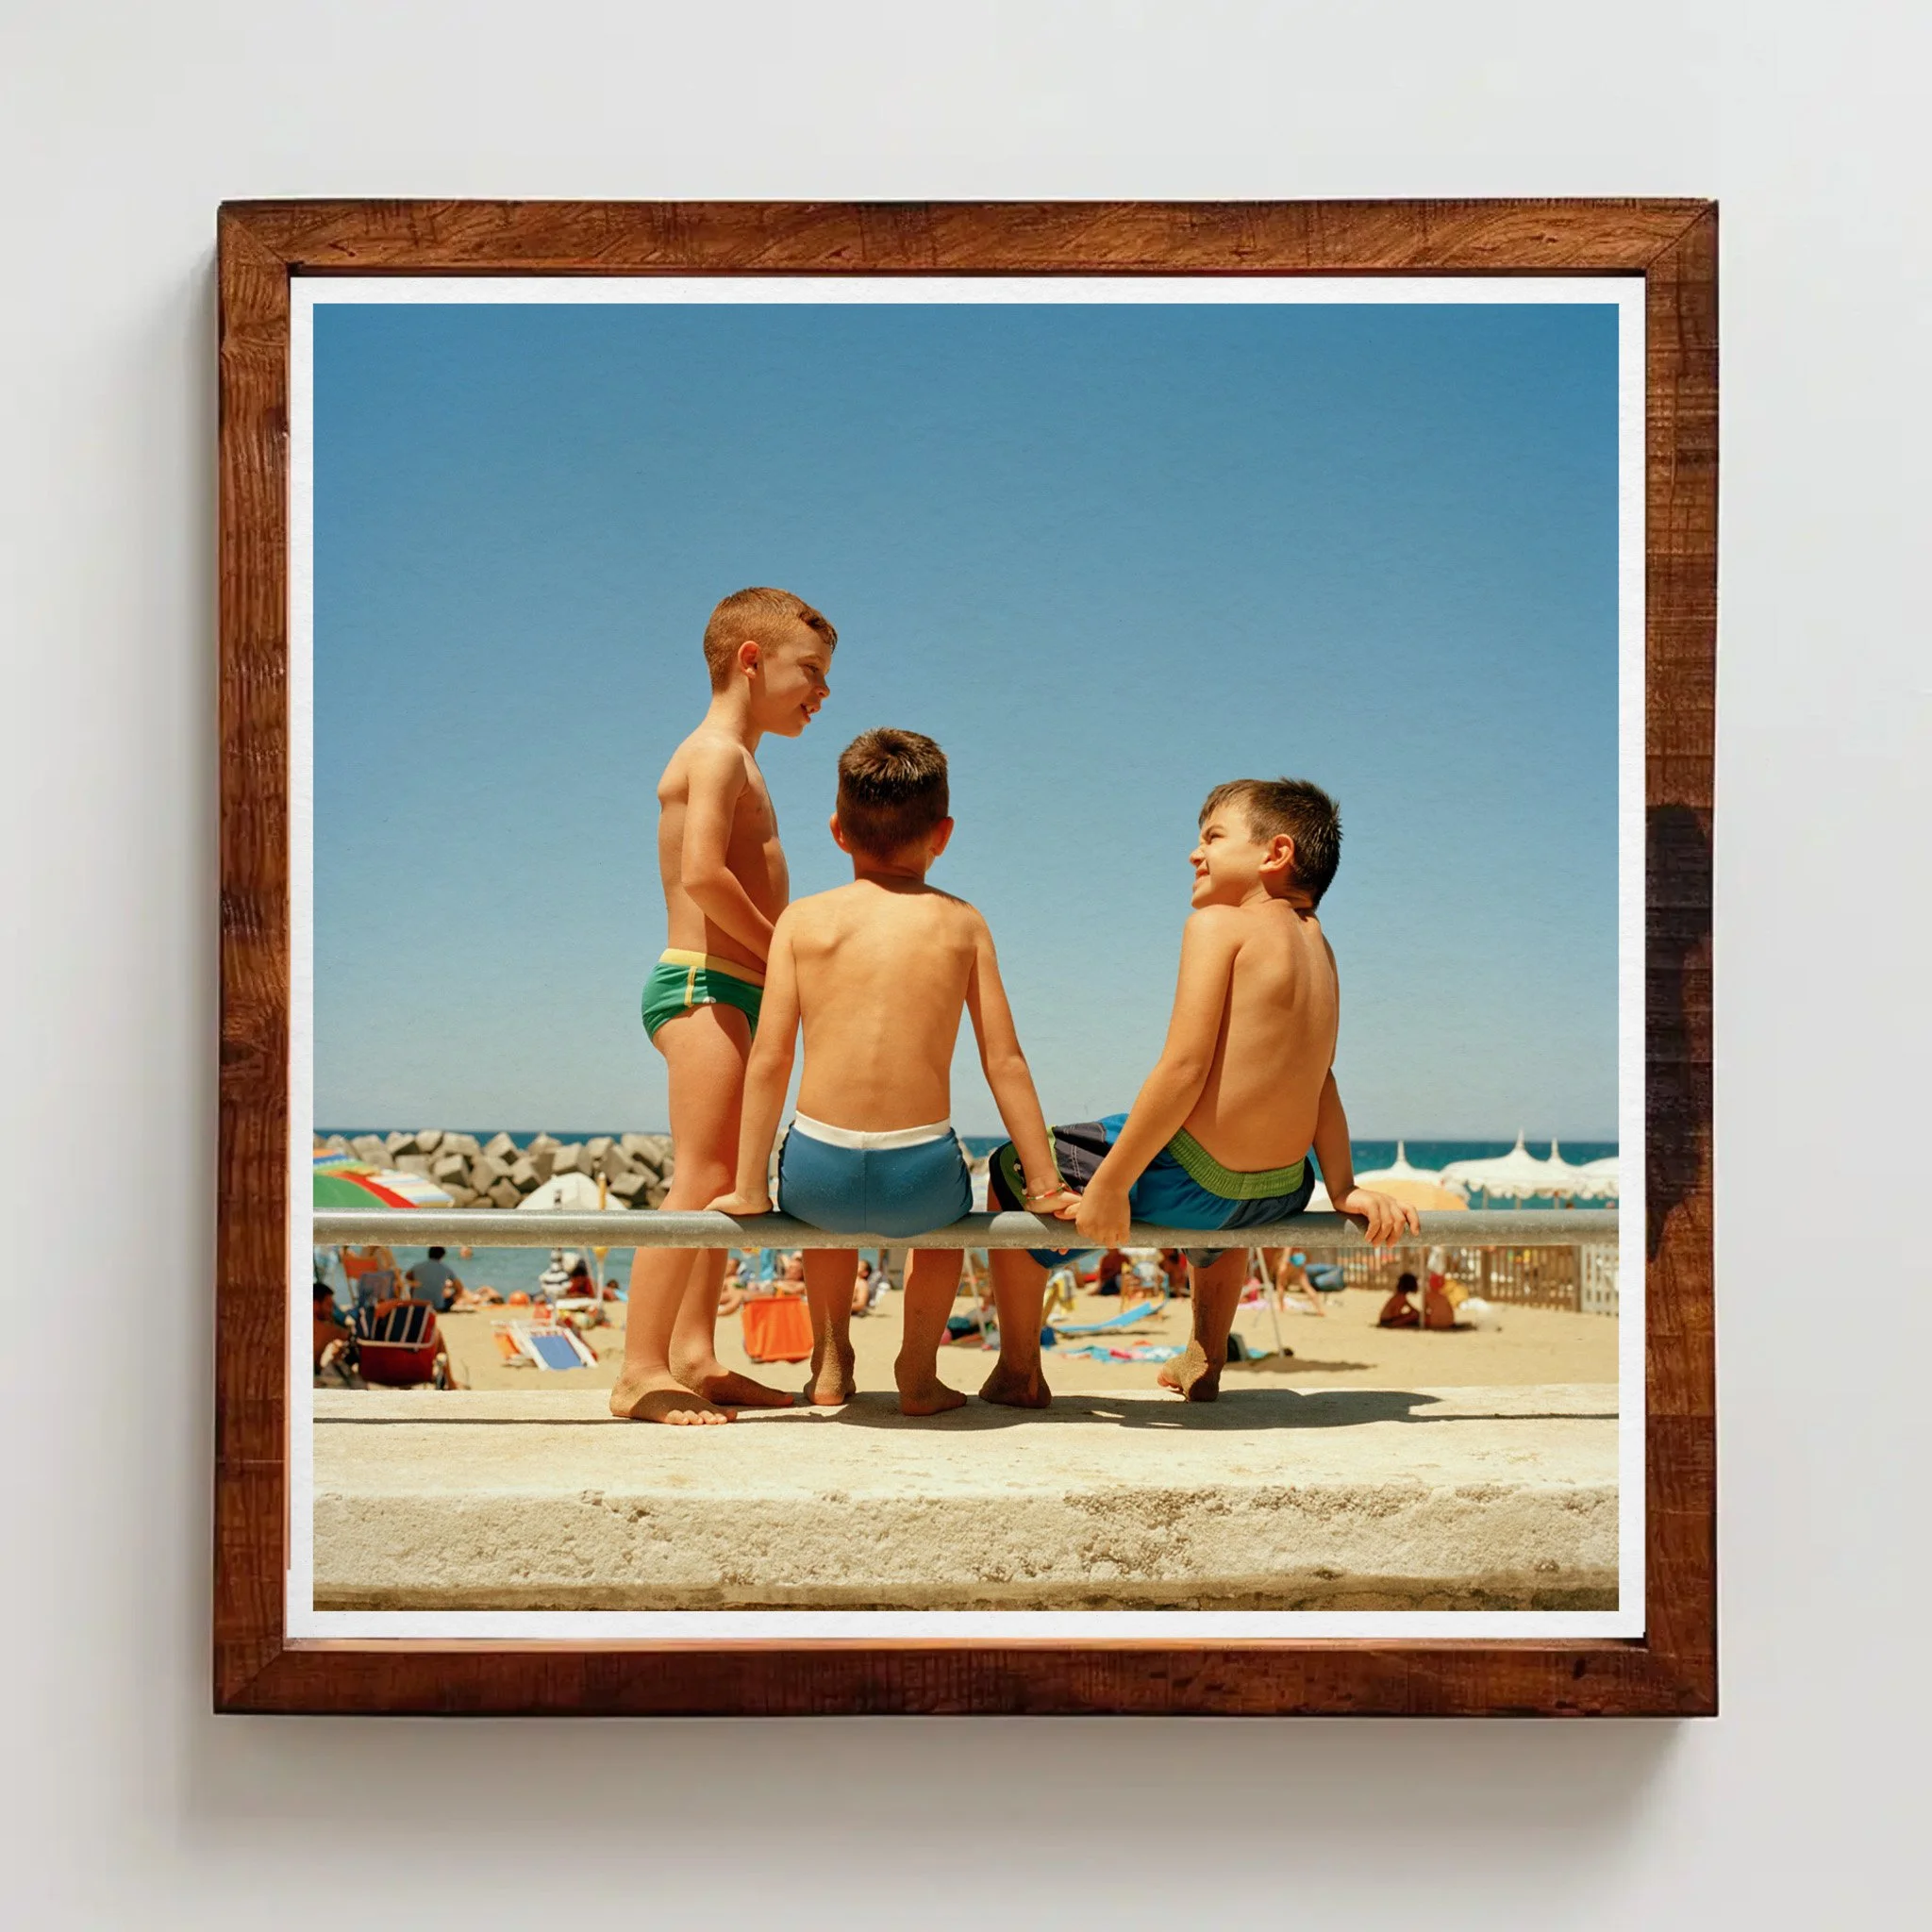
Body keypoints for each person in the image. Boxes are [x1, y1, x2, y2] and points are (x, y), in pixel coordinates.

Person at [980, 778, 1420, 1407]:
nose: (1195, 853)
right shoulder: (1322, 950)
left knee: (1018, 1167)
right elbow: (1321, 1078)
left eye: (1213, 837)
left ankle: (1019, 1369)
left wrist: (1108, 1187)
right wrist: (1343, 1185)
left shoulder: (1218, 925)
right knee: (1188, 1191)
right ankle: (1205, 1357)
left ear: (1275, 854)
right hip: (1276, 1188)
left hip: (1195, 1182)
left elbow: (1184, 1069)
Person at [708, 727, 1078, 1415]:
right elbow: (1004, 1061)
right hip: (918, 1173)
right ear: (943, 833)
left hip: (819, 1168)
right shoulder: (963, 923)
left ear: (836, 831)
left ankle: (829, 1358)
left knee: (823, 1228)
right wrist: (1047, 1181)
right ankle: (917, 1367)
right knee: (946, 1232)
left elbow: (772, 1058)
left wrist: (748, 1182)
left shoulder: (801, 921)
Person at [609, 588, 838, 1424]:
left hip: (736, 982)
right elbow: (705, 876)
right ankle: (639, 1368)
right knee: (701, 1176)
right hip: (702, 983)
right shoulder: (712, 753)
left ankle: (697, 1355)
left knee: (729, 1188)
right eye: (808, 672)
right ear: (750, 659)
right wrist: (788, 952)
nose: (821, 692)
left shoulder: (744, 759)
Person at [404, 1245, 462, 1312]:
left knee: (414, 1284)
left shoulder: (417, 1266)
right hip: (438, 1306)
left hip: (418, 1306)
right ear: (443, 1255)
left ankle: (415, 1301)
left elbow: (406, 1277)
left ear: (429, 1254)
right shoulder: (446, 1268)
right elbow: (460, 1287)